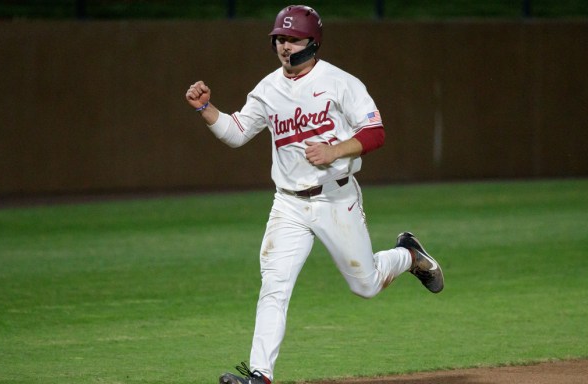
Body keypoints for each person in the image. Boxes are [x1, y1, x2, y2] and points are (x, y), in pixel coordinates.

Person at [184, 5, 444, 384]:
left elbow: (376, 132)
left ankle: (409, 256)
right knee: (274, 285)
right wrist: (206, 109)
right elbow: (237, 131)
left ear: (312, 41)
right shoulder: (268, 88)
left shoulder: (341, 83)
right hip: (288, 203)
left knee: (366, 285)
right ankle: (260, 375)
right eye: (279, 39)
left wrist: (336, 151)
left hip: (335, 199)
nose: (284, 46)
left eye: (292, 39)